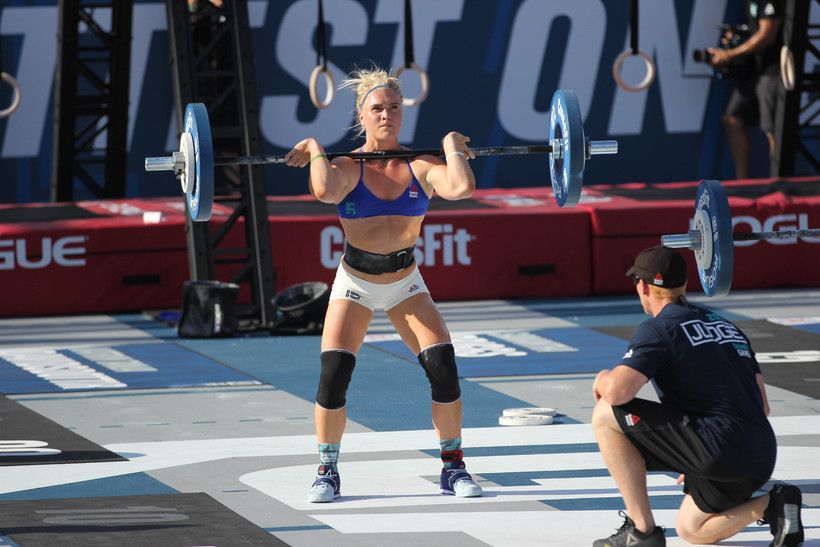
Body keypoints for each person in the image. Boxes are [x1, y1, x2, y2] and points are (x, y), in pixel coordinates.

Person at [283, 66, 483, 503]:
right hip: (354, 283)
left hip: (405, 283)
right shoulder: (346, 166)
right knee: (334, 376)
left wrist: (452, 146)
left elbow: (462, 187)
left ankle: (453, 467)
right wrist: (316, 148)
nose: (387, 115)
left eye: (394, 107)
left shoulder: (422, 164)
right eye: (378, 108)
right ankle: (326, 471)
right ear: (362, 114)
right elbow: (323, 191)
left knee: (444, 369)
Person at [591, 245, 804, 546]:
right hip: (759, 454)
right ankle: (775, 503)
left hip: (717, 447)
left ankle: (642, 533)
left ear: (642, 286)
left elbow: (616, 393)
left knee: (604, 416)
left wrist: (601, 378)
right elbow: (763, 405)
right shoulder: (728, 327)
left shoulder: (659, 328)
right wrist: (692, 453)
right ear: (684, 285)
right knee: (692, 530)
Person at [709, 0, 783, 179]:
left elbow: (767, 36)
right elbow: (755, 31)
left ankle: (779, 183)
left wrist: (729, 54)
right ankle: (742, 183)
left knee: (772, 129)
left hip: (773, 69)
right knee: (732, 118)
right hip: (753, 70)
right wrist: (736, 38)